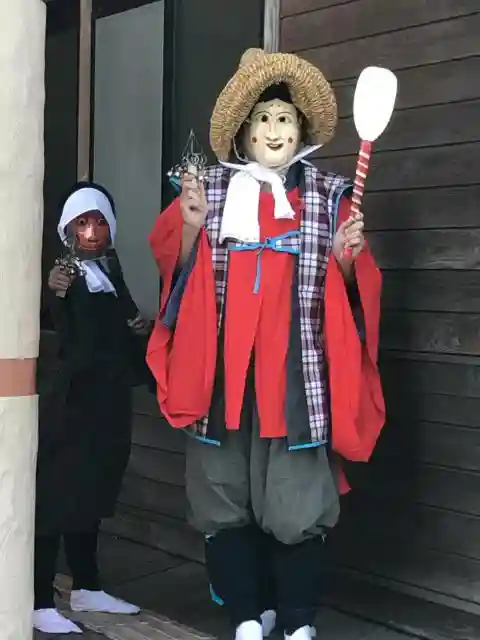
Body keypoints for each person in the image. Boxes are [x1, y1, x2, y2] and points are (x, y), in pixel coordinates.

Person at [147, 49, 385, 640]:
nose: (274, 131)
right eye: (263, 119)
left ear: (300, 129)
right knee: (223, 499)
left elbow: (355, 292)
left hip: (296, 382)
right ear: (243, 133)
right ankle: (246, 617)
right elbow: (173, 269)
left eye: (284, 119)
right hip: (223, 380)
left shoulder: (330, 196)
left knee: (297, 504)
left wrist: (345, 261)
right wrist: (192, 226)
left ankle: (297, 621)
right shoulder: (209, 191)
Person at [34, 182, 149, 635]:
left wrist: (138, 329)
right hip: (72, 400)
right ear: (68, 229)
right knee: (56, 494)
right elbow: (55, 316)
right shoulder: (65, 273)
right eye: (82, 222)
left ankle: (86, 584)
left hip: (108, 399)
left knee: (93, 492)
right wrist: (53, 287)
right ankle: (39, 597)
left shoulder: (111, 272)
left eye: (99, 221)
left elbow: (126, 323)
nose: (91, 231)